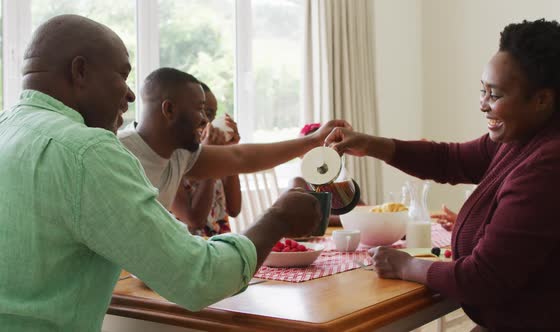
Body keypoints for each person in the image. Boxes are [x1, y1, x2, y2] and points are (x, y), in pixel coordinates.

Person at [0, 15, 325, 331]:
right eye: (122, 75)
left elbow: (238, 157)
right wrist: (278, 218)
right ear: (80, 71)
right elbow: (197, 278)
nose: (129, 94)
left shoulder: (7, 130)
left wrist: (310, 142)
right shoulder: (89, 152)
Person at [325, 19, 560, 330]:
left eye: (496, 95)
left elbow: (483, 279)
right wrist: (370, 144)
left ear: (543, 99)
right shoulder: (532, 134)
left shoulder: (556, 160)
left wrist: (407, 265)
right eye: (483, 90)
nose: (483, 105)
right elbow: (449, 160)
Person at [118, 67, 349, 214]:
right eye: (199, 109)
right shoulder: (119, 151)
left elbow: (241, 157)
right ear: (168, 110)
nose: (204, 120)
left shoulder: (179, 153)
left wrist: (316, 139)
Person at [170, 83, 242, 235]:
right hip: (190, 250)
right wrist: (208, 155)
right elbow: (195, 220)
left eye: (213, 115)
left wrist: (229, 151)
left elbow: (234, 208)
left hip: (218, 247)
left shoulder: (215, 153)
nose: (207, 122)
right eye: (205, 112)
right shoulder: (171, 159)